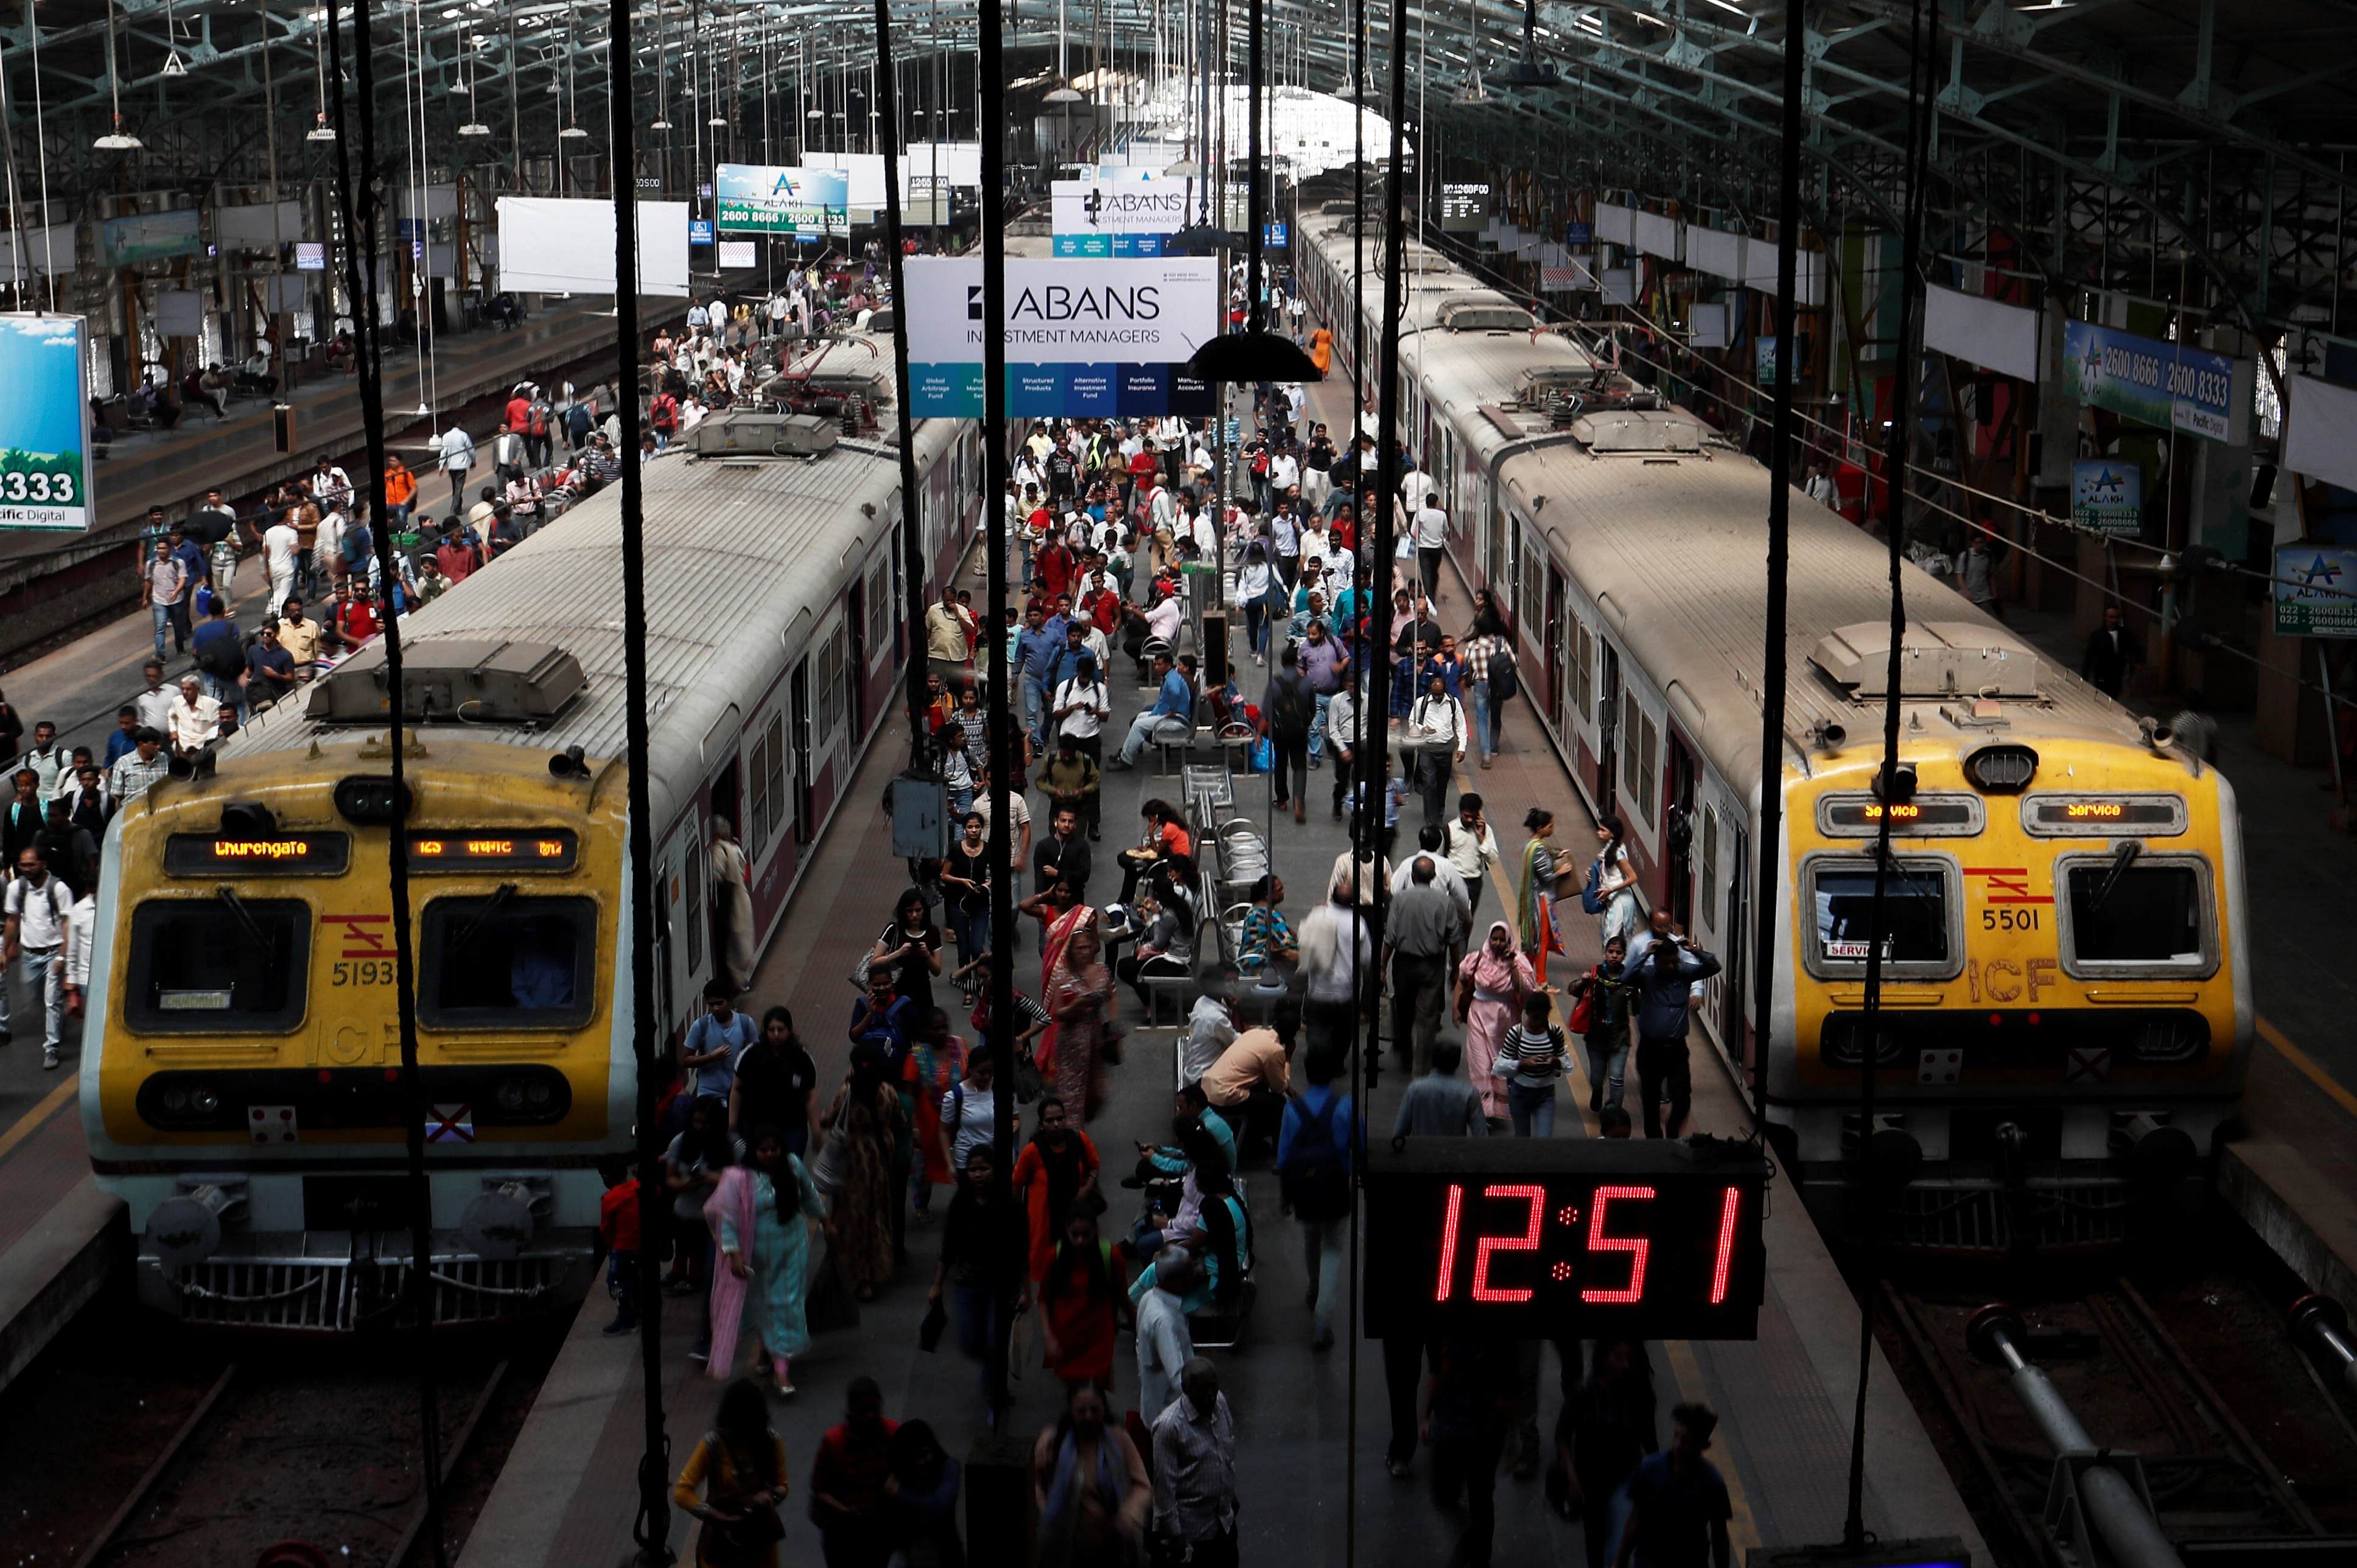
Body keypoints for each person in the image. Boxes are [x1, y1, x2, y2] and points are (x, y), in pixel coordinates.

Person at [706, 1126, 827, 1396]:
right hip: (757, 1255)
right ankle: (767, 1350)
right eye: (764, 1150)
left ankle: (782, 1372)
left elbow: (809, 1195)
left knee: (786, 1304)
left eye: (775, 1149)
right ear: (754, 1151)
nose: (770, 1154)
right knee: (765, 1305)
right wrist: (734, 1254)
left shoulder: (793, 1165)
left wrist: (827, 1223)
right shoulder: (739, 1178)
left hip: (793, 1247)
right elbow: (729, 1218)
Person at [931, 1143, 1031, 1423]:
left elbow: (1021, 1250)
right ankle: (993, 1375)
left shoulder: (1009, 1206)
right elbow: (948, 1247)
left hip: (1001, 1287)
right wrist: (937, 1284)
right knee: (970, 1342)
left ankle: (993, 1395)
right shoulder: (960, 1203)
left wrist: (1026, 1291)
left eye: (983, 1169)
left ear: (995, 1170)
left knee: (994, 1340)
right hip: (968, 1284)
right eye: (973, 1169)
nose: (977, 1175)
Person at [1276, 1046, 1356, 1349]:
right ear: (1333, 1073)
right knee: (1333, 1248)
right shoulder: (1345, 1107)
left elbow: (1283, 1158)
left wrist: (1286, 1197)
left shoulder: (1292, 1110)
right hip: (1336, 1188)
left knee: (1311, 1239)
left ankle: (1313, 1286)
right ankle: (1323, 1320)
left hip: (1305, 1190)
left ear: (1306, 1075)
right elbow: (1359, 1146)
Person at [1424, 1335, 1522, 1568]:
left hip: (1484, 1428)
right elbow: (1436, 1370)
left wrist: (1512, 1430)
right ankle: (1474, 1538)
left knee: (1480, 1496)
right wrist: (1426, 1416)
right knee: (1448, 1494)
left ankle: (1479, 1556)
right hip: (1455, 1424)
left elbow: (1510, 1382)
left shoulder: (1500, 1342)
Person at [672, 1378, 791, 1568]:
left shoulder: (771, 1441)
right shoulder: (713, 1445)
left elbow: (782, 1486)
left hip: (761, 1542)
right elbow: (682, 1492)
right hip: (723, 1545)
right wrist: (719, 1517)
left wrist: (769, 1496)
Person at [1557, 1340, 1659, 1559]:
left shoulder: (1637, 1398)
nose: (1625, 1365)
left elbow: (1650, 1443)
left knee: (1618, 1545)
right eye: (1619, 1357)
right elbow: (1562, 1435)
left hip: (1625, 1481)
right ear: (1605, 1359)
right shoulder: (1583, 1396)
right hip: (1590, 1484)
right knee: (1595, 1543)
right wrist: (1572, 1477)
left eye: (1628, 1359)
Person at [1034, 1379, 1152, 1567]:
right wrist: (1046, 1511)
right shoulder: (1054, 1443)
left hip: (1112, 1546)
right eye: (1081, 1411)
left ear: (1104, 1409)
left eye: (1094, 1410)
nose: (1088, 1417)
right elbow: (1037, 1483)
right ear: (1071, 1411)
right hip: (1067, 1546)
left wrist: (1129, 1514)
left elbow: (1142, 1485)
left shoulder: (1119, 1440)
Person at [819, 1043, 906, 1297]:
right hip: (879, 1163)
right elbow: (901, 1122)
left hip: (850, 1167)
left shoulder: (847, 1093)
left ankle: (854, 1276)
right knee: (876, 1219)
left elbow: (828, 1120)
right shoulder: (887, 1092)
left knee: (850, 1221)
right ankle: (874, 1274)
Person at [1616, 1403, 1734, 1568]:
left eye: (1687, 1441)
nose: (1678, 1445)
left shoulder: (1712, 1483)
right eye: (1676, 1437)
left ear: (1703, 1446)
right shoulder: (1649, 1469)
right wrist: (1619, 1563)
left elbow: (1719, 1537)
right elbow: (1635, 1520)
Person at [1151, 1357, 1239, 1567]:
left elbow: (1225, 1451)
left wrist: (1229, 1495)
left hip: (1224, 1523)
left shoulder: (1219, 1403)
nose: (1211, 1396)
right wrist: (1176, 1538)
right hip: (1194, 1535)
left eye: (1214, 1387)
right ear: (1186, 1389)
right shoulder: (1169, 1427)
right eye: (1203, 1390)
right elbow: (1164, 1490)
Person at [662, 1097, 734, 1351]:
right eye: (696, 1122)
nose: (700, 1127)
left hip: (713, 1221)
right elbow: (670, 1178)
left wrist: (706, 1177)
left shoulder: (729, 1147)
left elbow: (735, 1181)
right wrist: (684, 1184)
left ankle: (708, 1335)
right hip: (685, 1215)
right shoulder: (680, 1143)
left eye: (706, 1123)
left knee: (711, 1276)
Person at [1633, 939, 1720, 1139]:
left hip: (1677, 1050)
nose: (1671, 966)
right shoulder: (1647, 976)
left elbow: (1713, 966)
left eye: (1674, 962)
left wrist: (1696, 951)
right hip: (1650, 1050)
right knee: (1651, 1100)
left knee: (1682, 1099)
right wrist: (1645, 954)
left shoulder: (1685, 974)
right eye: (1666, 963)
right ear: (1656, 961)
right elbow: (1626, 975)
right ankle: (1654, 1142)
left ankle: (1672, 1131)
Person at [1454, 920, 1537, 1126]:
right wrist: (1456, 1008)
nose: (1498, 943)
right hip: (1478, 1016)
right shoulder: (1478, 958)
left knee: (1499, 1064)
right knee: (1481, 1063)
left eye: (1502, 939)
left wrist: (1513, 965)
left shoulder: (1519, 962)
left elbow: (1526, 989)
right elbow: (1462, 979)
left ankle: (1499, 1107)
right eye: (1495, 939)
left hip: (1506, 1020)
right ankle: (1483, 1110)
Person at [811, 1378, 900, 1568]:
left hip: (880, 1529)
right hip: (842, 1533)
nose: (870, 1416)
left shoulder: (894, 1434)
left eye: (874, 1409)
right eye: (863, 1410)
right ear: (851, 1410)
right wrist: (845, 1511)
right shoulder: (834, 1442)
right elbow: (819, 1490)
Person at [1386, 856, 1460, 1077]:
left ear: (1413, 876)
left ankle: (1406, 1057)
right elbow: (1454, 939)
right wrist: (1456, 969)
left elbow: (1390, 938)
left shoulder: (1399, 900)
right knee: (1427, 1019)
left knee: (1404, 1012)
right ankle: (1422, 1067)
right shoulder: (1445, 902)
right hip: (1432, 966)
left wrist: (1382, 967)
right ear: (1434, 877)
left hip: (1404, 964)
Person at [1037, 1206, 1124, 1390]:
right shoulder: (1055, 1257)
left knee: (1095, 1396)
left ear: (1096, 1230)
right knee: (1077, 1396)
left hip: (1099, 1341)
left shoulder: (1112, 1256)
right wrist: (1048, 1337)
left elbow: (1122, 1296)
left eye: (1086, 1234)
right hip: (1067, 1340)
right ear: (1066, 1231)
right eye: (1075, 1234)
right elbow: (1043, 1299)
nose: (1080, 1240)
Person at [4, 847, 73, 1066]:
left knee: (51, 1000)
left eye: (31, 865)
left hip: (52, 953)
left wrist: (62, 957)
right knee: (35, 998)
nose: (26, 869)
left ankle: (51, 1048)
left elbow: (67, 923)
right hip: (30, 955)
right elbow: (13, 920)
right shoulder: (17, 888)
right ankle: (57, 1016)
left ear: (43, 864)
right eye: (23, 865)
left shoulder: (59, 888)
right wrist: (5, 952)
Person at [1045, 923, 1116, 1124]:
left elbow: (1112, 996)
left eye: (1088, 947)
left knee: (1096, 1091)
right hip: (1072, 1040)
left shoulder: (1102, 971)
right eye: (1080, 948)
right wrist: (1076, 1005)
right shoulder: (1062, 976)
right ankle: (1071, 1135)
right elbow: (1058, 1014)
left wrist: (1111, 1023)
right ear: (1072, 951)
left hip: (1096, 1037)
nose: (1085, 952)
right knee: (1072, 1091)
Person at [730, 1006, 819, 1153]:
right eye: (772, 1030)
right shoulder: (750, 1056)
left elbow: (810, 1095)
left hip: (792, 1128)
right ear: (765, 1031)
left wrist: (816, 1132)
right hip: (756, 1127)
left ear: (789, 1030)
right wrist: (732, 1125)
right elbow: (736, 1089)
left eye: (781, 1029)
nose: (776, 1034)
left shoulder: (802, 1059)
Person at [1570, 936, 1638, 1113]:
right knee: (1596, 1078)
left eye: (1619, 953)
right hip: (1596, 1037)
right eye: (1611, 952)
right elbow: (1573, 990)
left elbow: (1637, 1009)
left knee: (1617, 1079)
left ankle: (1615, 1113)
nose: (1614, 956)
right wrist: (1584, 981)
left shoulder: (1629, 978)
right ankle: (1598, 1092)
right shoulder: (1595, 974)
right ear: (1605, 953)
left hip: (1620, 1038)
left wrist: (1636, 994)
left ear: (1624, 956)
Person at [885, 1421, 965, 1568]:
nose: (921, 1462)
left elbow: (939, 1505)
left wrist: (900, 1492)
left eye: (924, 1454)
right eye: (915, 1457)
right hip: (912, 1551)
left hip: (944, 1552)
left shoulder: (948, 1468)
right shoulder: (904, 1474)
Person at [1132, 1247, 1199, 1418]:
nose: (1195, 1277)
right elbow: (1178, 1378)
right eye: (1189, 1274)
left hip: (1155, 1402)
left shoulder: (1148, 1298)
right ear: (1175, 1281)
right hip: (1170, 1412)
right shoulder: (1164, 1321)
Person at [1496, 992, 1571, 1137]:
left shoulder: (1555, 1033)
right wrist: (1523, 1064)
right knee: (1523, 1138)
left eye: (1543, 1018)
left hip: (1546, 1094)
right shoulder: (1516, 1033)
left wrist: (1555, 1061)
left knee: (1544, 1138)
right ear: (1528, 1013)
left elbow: (1565, 1061)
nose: (1538, 1023)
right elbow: (1500, 1066)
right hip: (1520, 1093)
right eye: (1535, 1018)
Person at [1108, 651, 1195, 769]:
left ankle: (1126, 760)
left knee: (1138, 726)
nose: (1156, 667)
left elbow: (1175, 693)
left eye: (1159, 665)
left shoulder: (1172, 679)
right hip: (1165, 714)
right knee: (1139, 718)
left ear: (1168, 665)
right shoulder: (1171, 676)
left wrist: (1173, 711)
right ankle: (1126, 751)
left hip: (1177, 720)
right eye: (1155, 664)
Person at [1517, 808, 1574, 985]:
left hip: (1534, 899)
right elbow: (1546, 876)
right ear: (1541, 828)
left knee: (1533, 941)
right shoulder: (1540, 848)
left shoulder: (1531, 845)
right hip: (1541, 900)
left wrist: (1557, 854)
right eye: (1550, 826)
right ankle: (1541, 981)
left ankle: (1523, 974)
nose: (1553, 829)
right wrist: (1560, 871)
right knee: (1541, 941)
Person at [940, 813, 993, 1003]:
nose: (973, 831)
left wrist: (987, 884)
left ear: (982, 828)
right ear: (965, 829)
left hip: (980, 903)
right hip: (958, 903)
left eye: (977, 827)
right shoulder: (956, 849)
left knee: (977, 945)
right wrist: (962, 881)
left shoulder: (988, 849)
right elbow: (944, 875)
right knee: (963, 948)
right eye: (970, 827)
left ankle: (983, 979)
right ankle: (967, 986)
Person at [681, 981, 759, 1108]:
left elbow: (757, 1056)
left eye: (719, 1003)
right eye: (711, 1004)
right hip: (708, 1094)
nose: (715, 1008)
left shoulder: (745, 1024)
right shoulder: (700, 1026)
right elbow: (685, 1060)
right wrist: (711, 1057)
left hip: (738, 1093)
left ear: (729, 1001)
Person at [872, 887, 945, 1018]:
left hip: (923, 992)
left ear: (925, 910)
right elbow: (875, 961)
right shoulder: (893, 930)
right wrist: (899, 953)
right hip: (897, 990)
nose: (914, 915)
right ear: (903, 912)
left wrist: (927, 955)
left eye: (918, 910)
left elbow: (937, 970)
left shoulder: (932, 932)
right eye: (910, 911)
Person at [1406, 671, 1466, 828]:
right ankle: (1430, 818)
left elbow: (1461, 726)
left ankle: (1439, 812)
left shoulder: (1453, 703)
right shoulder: (1422, 702)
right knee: (1429, 783)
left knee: (1442, 784)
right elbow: (1412, 721)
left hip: (1446, 750)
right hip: (1427, 749)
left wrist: (1462, 748)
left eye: (1440, 694)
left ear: (1445, 691)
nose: (1437, 697)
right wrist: (1422, 728)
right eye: (1435, 694)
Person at [1264, 644, 1317, 822]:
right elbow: (1312, 708)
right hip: (1299, 731)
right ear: (1296, 661)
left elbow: (1266, 711)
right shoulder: (1306, 682)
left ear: (1281, 662)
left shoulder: (1274, 683)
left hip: (1280, 732)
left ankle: (1282, 799)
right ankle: (1298, 800)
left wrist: (1262, 732)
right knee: (1300, 765)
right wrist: (1305, 724)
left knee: (1280, 762)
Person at [710, 818, 756, 992]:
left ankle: (733, 986)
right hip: (742, 900)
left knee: (728, 951)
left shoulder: (718, 851)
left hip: (728, 905)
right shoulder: (734, 849)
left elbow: (716, 875)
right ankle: (739, 982)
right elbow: (744, 869)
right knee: (740, 943)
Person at [2079, 603, 2142, 698]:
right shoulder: (2097, 636)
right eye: (2111, 617)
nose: (2114, 620)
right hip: (2101, 676)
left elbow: (2134, 649)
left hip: (2117, 676)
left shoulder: (2124, 634)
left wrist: (2136, 666)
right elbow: (2089, 658)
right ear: (2106, 618)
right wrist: (2084, 679)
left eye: (2116, 617)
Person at [438, 419, 477, 511]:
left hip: (452, 466)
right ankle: (454, 508)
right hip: (461, 465)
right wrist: (473, 461)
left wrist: (441, 466)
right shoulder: (463, 435)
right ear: (458, 424)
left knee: (455, 488)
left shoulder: (446, 436)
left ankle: (458, 507)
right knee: (459, 488)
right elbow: (471, 450)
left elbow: (444, 452)